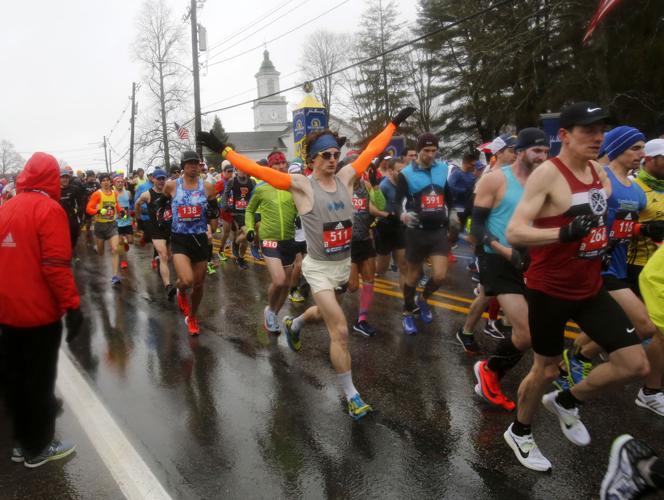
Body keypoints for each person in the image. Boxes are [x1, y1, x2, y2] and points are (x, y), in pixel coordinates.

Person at [198, 106, 415, 420]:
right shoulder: (300, 184)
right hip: (318, 268)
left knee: (326, 314)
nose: (332, 158)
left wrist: (393, 124)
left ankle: (294, 323)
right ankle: (352, 395)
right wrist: (224, 149)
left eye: (335, 153)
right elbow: (257, 172)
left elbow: (372, 149)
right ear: (312, 159)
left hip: (343, 263)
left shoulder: (347, 176)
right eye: (325, 154)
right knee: (339, 329)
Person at [503, 102, 649, 472]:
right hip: (549, 289)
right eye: (588, 130)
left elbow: (599, 226)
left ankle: (568, 401)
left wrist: (634, 231)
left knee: (635, 363)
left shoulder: (598, 171)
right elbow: (515, 230)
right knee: (546, 370)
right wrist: (563, 232)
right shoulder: (548, 175)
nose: (597, 137)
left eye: (601, 130)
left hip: (589, 285)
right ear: (564, 135)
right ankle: (520, 431)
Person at [0, 152, 82, 468]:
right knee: (38, 378)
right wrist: (72, 306)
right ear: (50, 179)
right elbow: (55, 266)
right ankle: (37, 448)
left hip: (7, 312)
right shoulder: (50, 210)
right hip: (38, 314)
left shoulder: (6, 207)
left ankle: (22, 443)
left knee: (18, 377)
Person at [468, 128, 550, 410]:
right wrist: (503, 249)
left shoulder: (543, 182)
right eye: (536, 151)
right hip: (497, 259)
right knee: (526, 332)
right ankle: (489, 370)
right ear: (520, 151)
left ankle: (504, 371)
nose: (542, 156)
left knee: (540, 330)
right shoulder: (495, 180)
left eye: (546, 151)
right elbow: (476, 226)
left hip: (531, 260)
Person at [396, 132, 452, 335]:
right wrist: (402, 215)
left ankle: (423, 299)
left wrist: (452, 215)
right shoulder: (406, 174)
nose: (430, 154)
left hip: (438, 230)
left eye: (433, 150)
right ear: (418, 151)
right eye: (426, 151)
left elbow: (449, 196)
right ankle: (408, 312)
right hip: (416, 232)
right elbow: (397, 202)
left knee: (440, 275)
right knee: (412, 276)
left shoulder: (443, 169)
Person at [163, 151, 217, 335]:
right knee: (187, 280)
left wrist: (212, 227)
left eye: (195, 163)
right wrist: (163, 223)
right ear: (183, 166)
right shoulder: (171, 186)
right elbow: (163, 206)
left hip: (200, 238)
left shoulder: (207, 187)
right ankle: (180, 290)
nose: (193, 166)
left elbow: (214, 211)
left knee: (199, 284)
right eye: (189, 163)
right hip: (180, 238)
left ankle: (192, 317)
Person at [244, 150, 298, 333]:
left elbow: (301, 206)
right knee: (280, 280)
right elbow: (250, 211)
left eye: (283, 163)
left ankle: (273, 312)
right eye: (277, 164)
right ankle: (269, 308)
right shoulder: (261, 188)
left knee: (287, 284)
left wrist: (298, 217)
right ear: (270, 167)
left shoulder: (292, 185)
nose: (282, 166)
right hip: (269, 239)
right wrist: (250, 229)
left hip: (289, 239)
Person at [348, 170, 388, 337]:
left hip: (364, 239)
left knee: (369, 280)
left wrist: (376, 187)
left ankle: (361, 320)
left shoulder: (366, 185)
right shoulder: (341, 187)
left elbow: (379, 205)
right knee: (352, 286)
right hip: (347, 244)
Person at [627, 138, 664, 291]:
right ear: (648, 159)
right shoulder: (632, 185)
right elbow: (612, 227)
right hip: (640, 265)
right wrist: (644, 229)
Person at [134, 168, 176, 300]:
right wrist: (138, 217)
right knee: (163, 255)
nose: (161, 181)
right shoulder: (148, 194)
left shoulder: (170, 192)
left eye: (163, 178)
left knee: (169, 257)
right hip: (156, 230)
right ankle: (168, 286)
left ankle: (159, 262)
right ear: (153, 179)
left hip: (170, 228)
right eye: (159, 179)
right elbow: (137, 203)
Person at [374, 157, 408, 284]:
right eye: (399, 171)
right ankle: (369, 273)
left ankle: (408, 302)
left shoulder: (405, 184)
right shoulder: (384, 186)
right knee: (382, 268)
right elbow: (375, 207)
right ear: (390, 170)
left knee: (404, 265)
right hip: (385, 228)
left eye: (404, 170)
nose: (402, 173)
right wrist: (388, 215)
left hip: (400, 228)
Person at [85, 172, 123, 285]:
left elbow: (116, 204)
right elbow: (88, 209)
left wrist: (121, 211)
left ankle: (115, 276)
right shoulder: (97, 194)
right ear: (100, 182)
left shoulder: (114, 193)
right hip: (100, 226)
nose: (106, 182)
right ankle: (97, 248)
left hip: (112, 224)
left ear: (110, 181)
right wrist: (97, 211)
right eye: (103, 180)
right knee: (101, 252)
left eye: (107, 180)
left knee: (115, 249)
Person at [223, 165, 255, 269]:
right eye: (240, 169)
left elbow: (255, 196)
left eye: (245, 168)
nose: (243, 171)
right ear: (236, 170)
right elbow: (226, 194)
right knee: (248, 234)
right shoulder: (233, 181)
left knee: (246, 238)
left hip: (248, 212)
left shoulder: (252, 182)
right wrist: (225, 205)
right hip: (236, 213)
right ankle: (239, 254)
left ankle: (237, 248)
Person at [58, 168, 82, 252]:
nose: (65, 179)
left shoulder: (75, 189)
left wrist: (78, 212)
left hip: (72, 218)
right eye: (62, 177)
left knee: (74, 237)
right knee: (61, 239)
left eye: (67, 177)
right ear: (58, 178)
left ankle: (71, 250)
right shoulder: (55, 190)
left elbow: (81, 203)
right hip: (59, 219)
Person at [113, 173, 134, 269]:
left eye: (121, 182)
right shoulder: (112, 194)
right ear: (114, 183)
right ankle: (123, 261)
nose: (120, 183)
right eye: (118, 182)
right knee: (120, 242)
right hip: (117, 222)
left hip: (127, 221)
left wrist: (132, 213)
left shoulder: (128, 193)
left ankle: (126, 242)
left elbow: (131, 204)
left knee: (131, 241)